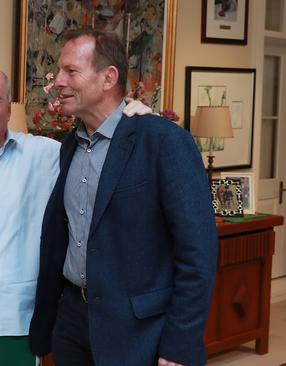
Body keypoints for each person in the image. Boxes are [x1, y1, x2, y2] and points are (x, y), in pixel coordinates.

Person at [0, 64, 152, 366]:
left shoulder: (47, 156)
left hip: (15, 326)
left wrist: (135, 124)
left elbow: (104, 163)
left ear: (8, 109)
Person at [28, 30, 218, 366]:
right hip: (73, 321)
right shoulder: (70, 145)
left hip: (139, 330)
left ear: (108, 78)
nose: (57, 81)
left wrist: (180, 342)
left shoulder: (163, 142)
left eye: (71, 72)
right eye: (58, 71)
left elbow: (198, 254)